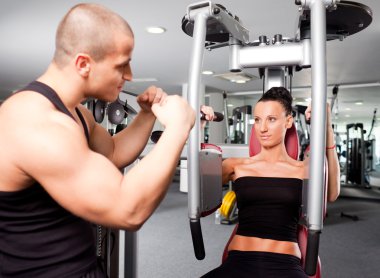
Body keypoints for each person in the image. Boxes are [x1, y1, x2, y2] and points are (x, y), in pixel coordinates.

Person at [0, 3, 195, 278]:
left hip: (83, 266)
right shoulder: (33, 121)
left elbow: (113, 151)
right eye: (121, 64)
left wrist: (147, 114)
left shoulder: (75, 112)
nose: (129, 75)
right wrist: (177, 128)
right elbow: (128, 210)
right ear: (83, 64)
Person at [202, 87, 340, 278]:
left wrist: (327, 126)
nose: (262, 128)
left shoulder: (303, 168)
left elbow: (331, 193)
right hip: (239, 262)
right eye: (257, 120)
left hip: (285, 265)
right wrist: (198, 129)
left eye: (271, 119)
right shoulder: (236, 165)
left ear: (288, 121)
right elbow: (199, 194)